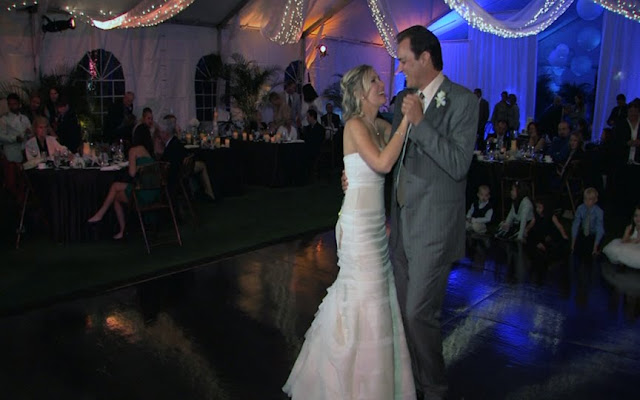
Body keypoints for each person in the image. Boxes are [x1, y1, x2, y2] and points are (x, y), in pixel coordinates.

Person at [283, 65, 415, 399]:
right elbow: (384, 163)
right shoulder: (354, 125)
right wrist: (406, 125)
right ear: (359, 93)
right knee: (363, 296)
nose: (382, 85)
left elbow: (397, 147)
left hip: (375, 224)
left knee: (375, 299)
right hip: (357, 224)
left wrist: (405, 123)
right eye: (375, 82)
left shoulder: (381, 125)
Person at [390, 26, 477, 399]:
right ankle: (413, 382)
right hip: (402, 223)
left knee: (418, 314)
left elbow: (459, 164)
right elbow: (392, 155)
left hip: (436, 227)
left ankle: (435, 388)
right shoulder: (402, 100)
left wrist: (422, 123)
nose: (400, 69)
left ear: (425, 58)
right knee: (404, 312)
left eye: (404, 60)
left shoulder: (462, 101)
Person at [87, 125, 157, 239]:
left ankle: (103, 216)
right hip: (155, 191)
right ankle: (118, 228)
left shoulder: (134, 150)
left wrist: (132, 165)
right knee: (116, 195)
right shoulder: (149, 151)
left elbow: (132, 173)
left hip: (143, 192)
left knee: (115, 186)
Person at [571, 187, 605, 256]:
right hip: (584, 232)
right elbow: (575, 224)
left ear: (595, 200)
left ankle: (597, 247)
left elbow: (599, 229)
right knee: (577, 251)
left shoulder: (599, 212)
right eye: (585, 199)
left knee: (591, 252)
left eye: (590, 199)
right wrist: (573, 243)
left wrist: (595, 247)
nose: (587, 202)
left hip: (594, 234)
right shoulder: (580, 208)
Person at [0, 93, 31, 162]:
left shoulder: (24, 118)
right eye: (10, 104)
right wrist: (15, 138)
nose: (12, 106)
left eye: (14, 104)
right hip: (11, 152)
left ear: (19, 104)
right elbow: (1, 136)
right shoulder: (4, 119)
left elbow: (31, 133)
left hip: (25, 150)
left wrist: (29, 133)